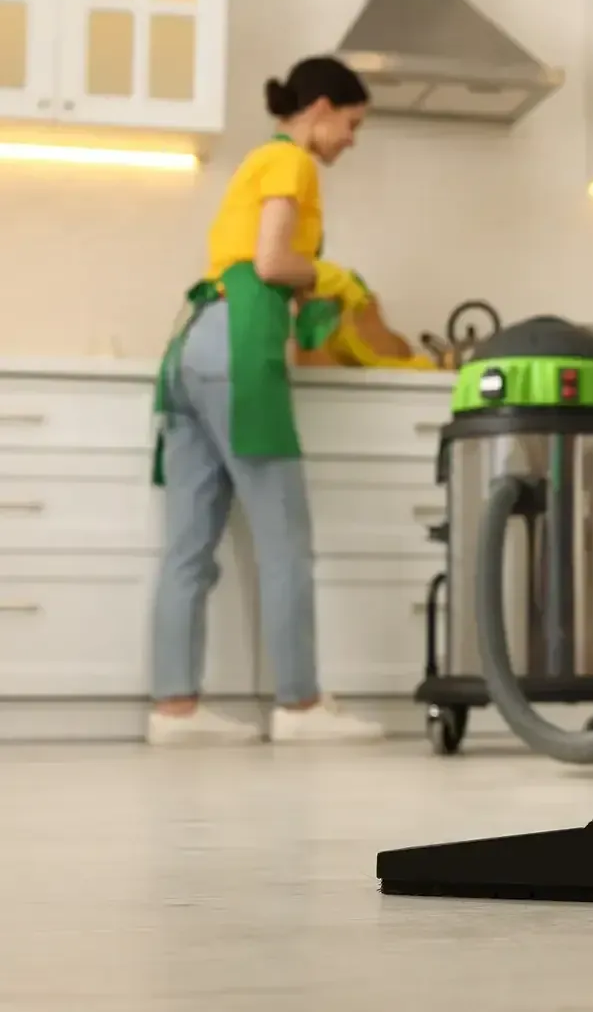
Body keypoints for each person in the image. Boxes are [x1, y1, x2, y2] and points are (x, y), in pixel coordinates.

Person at [146, 56, 387, 746]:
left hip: (192, 345)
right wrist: (336, 278)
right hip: (238, 355)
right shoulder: (290, 161)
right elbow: (274, 260)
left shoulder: (257, 162)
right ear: (317, 109)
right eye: (351, 123)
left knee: (188, 545)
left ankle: (175, 711)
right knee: (285, 542)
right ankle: (300, 705)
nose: (350, 139)